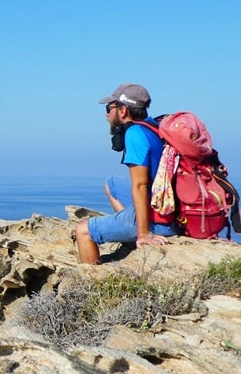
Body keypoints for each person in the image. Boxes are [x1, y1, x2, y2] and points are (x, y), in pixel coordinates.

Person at [75, 83, 179, 264]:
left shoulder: (134, 134)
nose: (106, 114)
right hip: (166, 207)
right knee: (111, 184)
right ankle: (128, 233)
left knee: (83, 230)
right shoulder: (152, 127)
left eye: (110, 108)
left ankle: (92, 286)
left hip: (158, 219)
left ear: (123, 111)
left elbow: (140, 185)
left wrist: (143, 234)